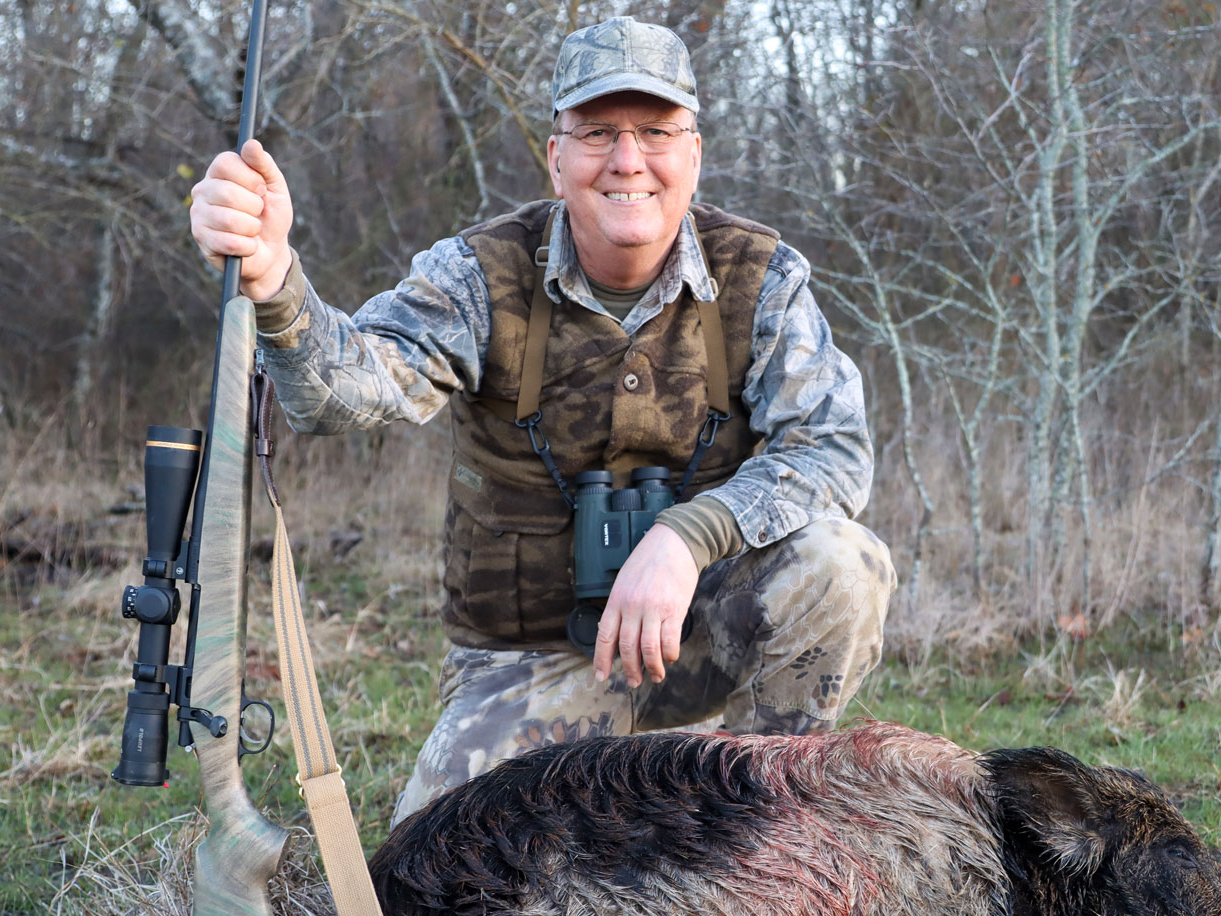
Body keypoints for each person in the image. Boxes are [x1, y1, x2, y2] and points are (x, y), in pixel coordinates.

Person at [188, 16, 894, 827]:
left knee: (843, 562)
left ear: (693, 154)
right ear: (556, 157)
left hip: (700, 648)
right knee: (442, 878)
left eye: (657, 132)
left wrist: (685, 538)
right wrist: (278, 281)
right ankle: (608, 781)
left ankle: (757, 820)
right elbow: (341, 393)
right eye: (597, 131)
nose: (628, 159)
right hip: (532, 663)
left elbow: (834, 450)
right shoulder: (480, 274)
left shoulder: (760, 278)